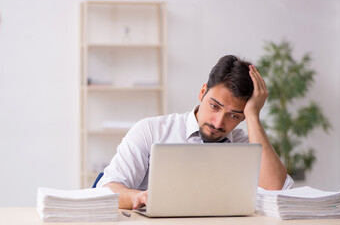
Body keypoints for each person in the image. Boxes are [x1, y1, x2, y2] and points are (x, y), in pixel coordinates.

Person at [97, 55, 293, 209]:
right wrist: (138, 196)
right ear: (202, 92)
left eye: (234, 115)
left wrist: (253, 116)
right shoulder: (152, 130)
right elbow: (106, 189)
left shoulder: (246, 145)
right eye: (215, 106)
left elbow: (275, 190)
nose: (218, 123)